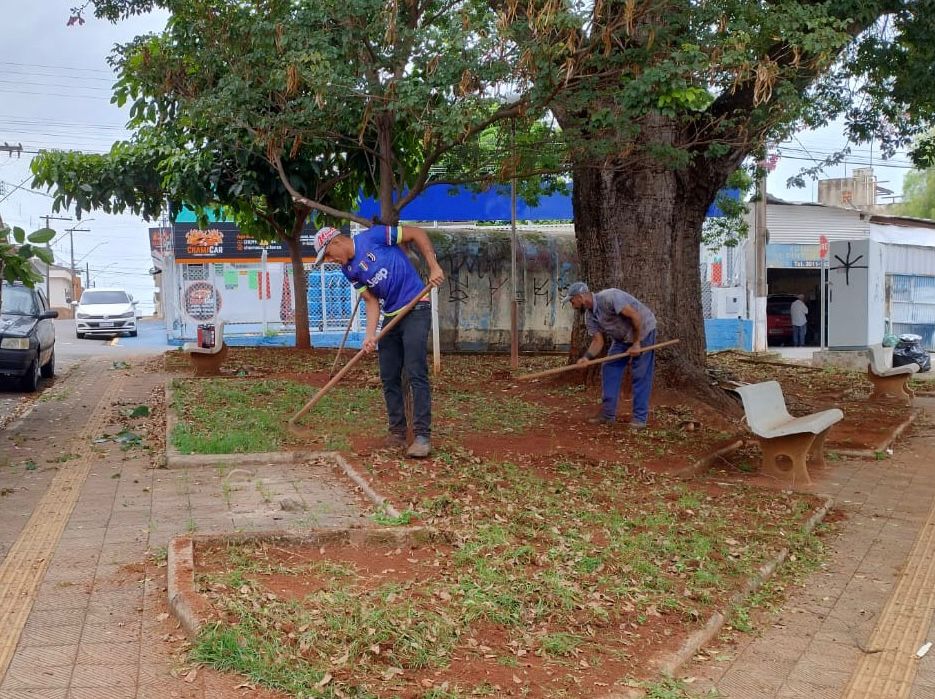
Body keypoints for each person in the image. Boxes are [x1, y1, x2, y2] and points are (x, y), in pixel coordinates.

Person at [314, 224, 445, 457]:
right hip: (392, 315)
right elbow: (371, 300)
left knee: (416, 370)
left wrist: (433, 266)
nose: (331, 260)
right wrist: (369, 334)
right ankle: (397, 432)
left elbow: (416, 233)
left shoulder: (373, 236)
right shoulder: (349, 270)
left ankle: (422, 436)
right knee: (388, 374)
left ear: (335, 243)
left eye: (329, 255)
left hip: (416, 307)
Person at [565, 282, 657, 428]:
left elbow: (635, 316)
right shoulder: (590, 316)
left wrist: (637, 343)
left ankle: (640, 418)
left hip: (643, 332)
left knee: (640, 374)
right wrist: (586, 358)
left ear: (580, 297)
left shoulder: (610, 297)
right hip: (622, 339)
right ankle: (608, 415)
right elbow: (597, 341)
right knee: (609, 367)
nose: (572, 305)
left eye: (572, 301)